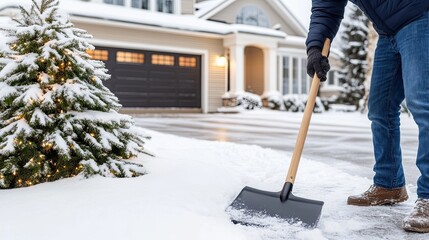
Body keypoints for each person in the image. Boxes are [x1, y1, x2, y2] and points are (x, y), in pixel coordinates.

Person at [305, 0, 429, 233]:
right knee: (380, 109)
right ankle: (389, 184)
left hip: (420, 16)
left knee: (422, 102)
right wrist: (314, 48)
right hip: (387, 32)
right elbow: (326, 8)